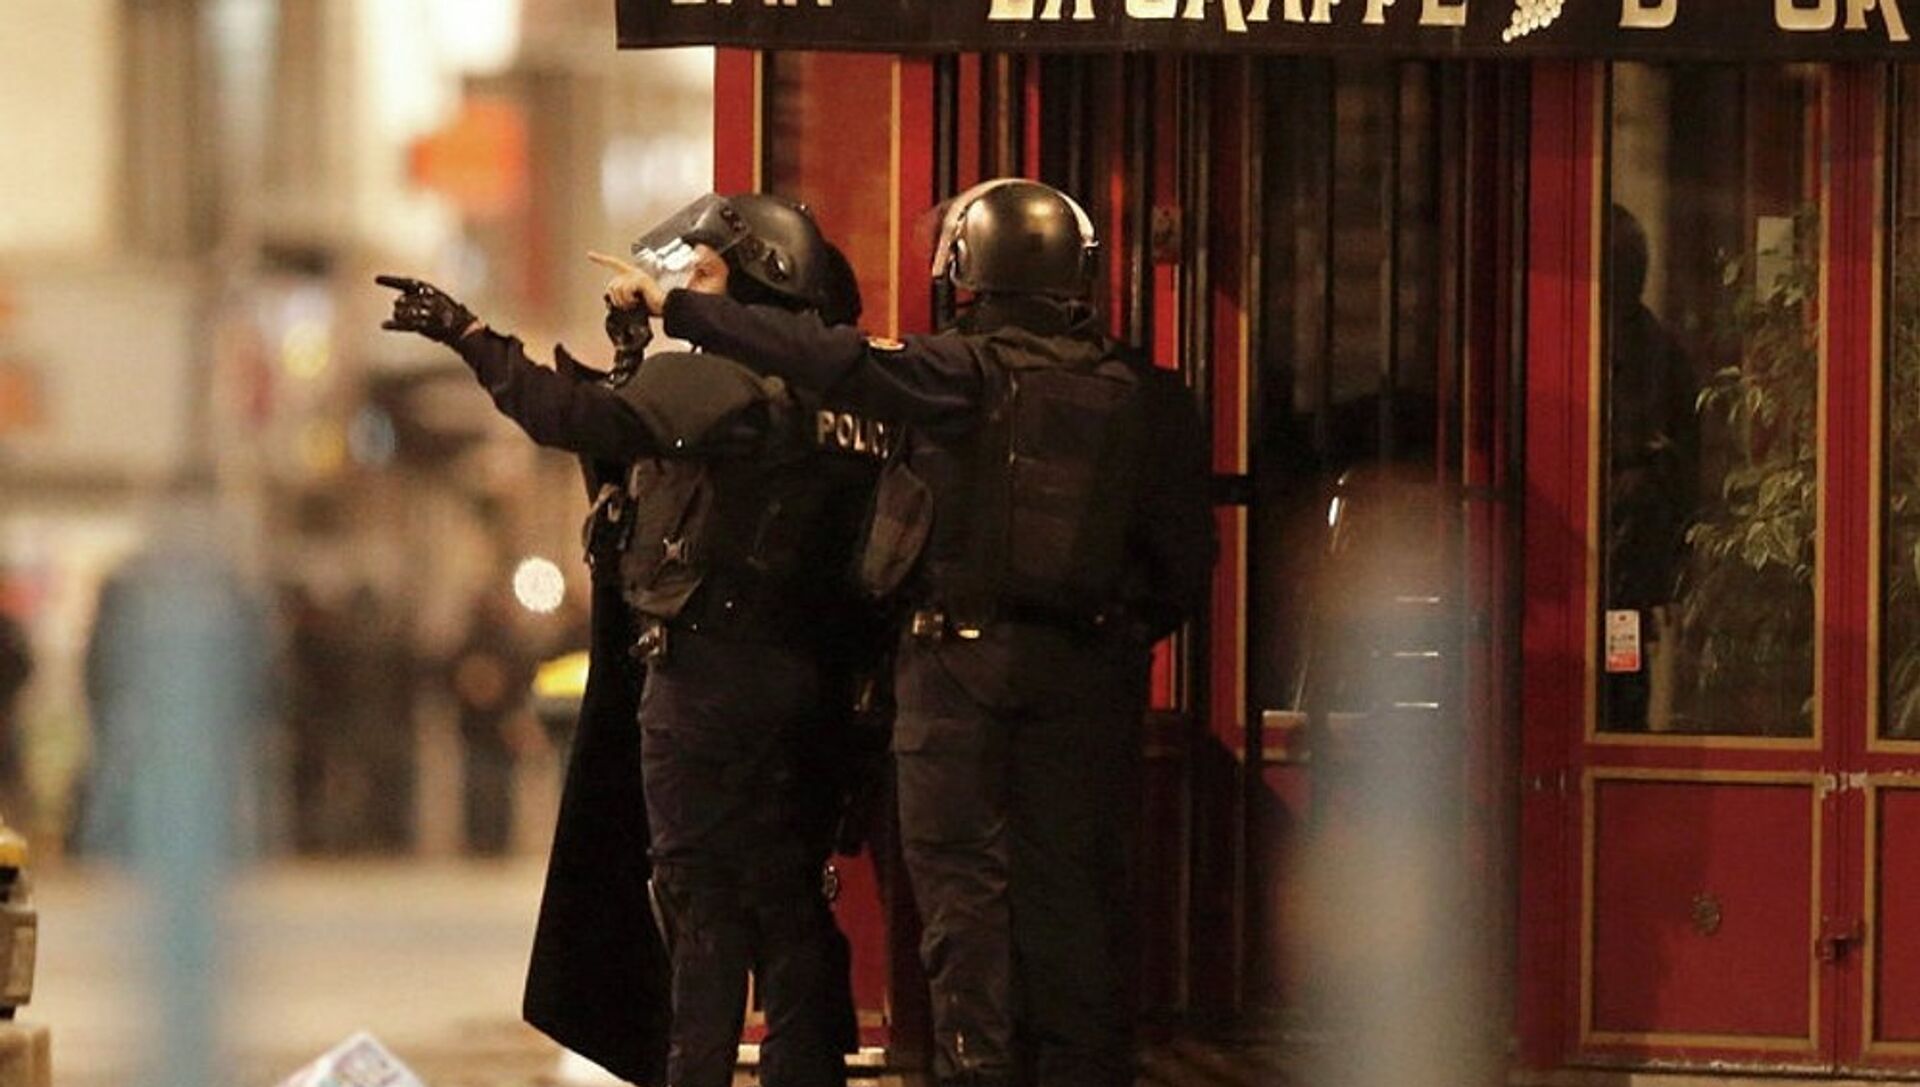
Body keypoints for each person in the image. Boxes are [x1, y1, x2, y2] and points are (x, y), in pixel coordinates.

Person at [601, 178, 1217, 1087]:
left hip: (953, 679)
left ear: (968, 269)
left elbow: (825, 357)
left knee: (964, 901)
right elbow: (1182, 563)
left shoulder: (954, 373)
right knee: (1075, 897)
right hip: (1086, 682)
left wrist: (678, 308)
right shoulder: (1151, 398)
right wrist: (1106, 640)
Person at [377, 192, 883, 1087]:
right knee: (789, 898)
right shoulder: (846, 396)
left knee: (702, 904)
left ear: (763, 278)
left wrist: (471, 335)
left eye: (707, 275)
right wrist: (631, 356)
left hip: (711, 683)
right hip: (810, 688)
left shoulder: (726, 379)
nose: (689, 290)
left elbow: (566, 416)